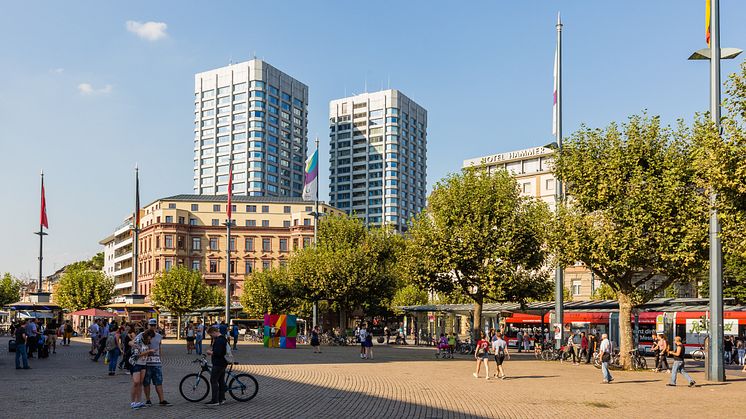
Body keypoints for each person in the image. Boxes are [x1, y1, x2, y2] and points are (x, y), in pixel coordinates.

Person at [136, 319, 171, 406]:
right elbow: (135, 344)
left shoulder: (159, 336)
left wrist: (159, 357)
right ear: (147, 325)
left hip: (156, 363)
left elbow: (159, 347)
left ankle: (162, 400)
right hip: (145, 363)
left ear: (156, 326)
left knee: (159, 382)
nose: (152, 327)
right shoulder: (141, 335)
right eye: (151, 325)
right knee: (146, 383)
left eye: (154, 325)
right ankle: (148, 400)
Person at [130, 329, 155, 409]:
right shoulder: (138, 341)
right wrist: (149, 351)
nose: (151, 339)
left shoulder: (147, 342)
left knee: (140, 383)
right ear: (147, 335)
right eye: (151, 337)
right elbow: (137, 354)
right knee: (136, 382)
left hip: (143, 364)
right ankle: (133, 402)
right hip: (136, 363)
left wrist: (149, 352)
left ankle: (139, 401)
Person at [206, 326, 228, 406]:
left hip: (218, 363)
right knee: (221, 381)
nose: (211, 337)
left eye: (211, 335)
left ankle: (215, 400)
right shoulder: (223, 338)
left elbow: (218, 353)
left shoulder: (219, 340)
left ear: (214, 332)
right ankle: (221, 399)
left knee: (213, 380)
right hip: (223, 363)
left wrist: (210, 352)